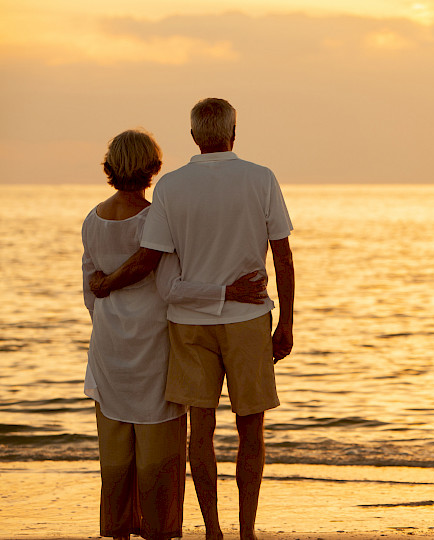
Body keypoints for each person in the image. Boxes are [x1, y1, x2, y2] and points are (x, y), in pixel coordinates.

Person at [90, 98, 295, 540]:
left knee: (200, 427)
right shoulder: (261, 178)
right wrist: (287, 323)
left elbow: (152, 258)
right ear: (234, 130)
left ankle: (213, 531)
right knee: (251, 428)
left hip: (187, 323)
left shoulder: (171, 188)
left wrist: (106, 287)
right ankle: (246, 531)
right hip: (247, 318)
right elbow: (283, 255)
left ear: (193, 136)